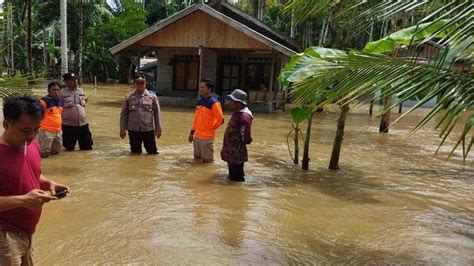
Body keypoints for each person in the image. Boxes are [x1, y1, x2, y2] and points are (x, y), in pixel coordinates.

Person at [0, 95, 69, 265]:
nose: (32, 136)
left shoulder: (31, 145)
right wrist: (24, 200)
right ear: (6, 124)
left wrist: (48, 183)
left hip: (28, 232)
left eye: (36, 130)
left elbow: (33, 173)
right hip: (4, 235)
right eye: (25, 130)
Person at [120, 74, 163, 154]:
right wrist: (122, 129)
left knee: (152, 152)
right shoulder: (129, 97)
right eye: (138, 83)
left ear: (145, 83)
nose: (140, 85)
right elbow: (124, 114)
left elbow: (157, 114)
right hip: (133, 129)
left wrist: (158, 129)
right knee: (135, 153)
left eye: (142, 83)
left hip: (148, 129)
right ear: (134, 84)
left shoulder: (152, 96)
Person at [188, 79, 224, 163]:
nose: (200, 89)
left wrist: (212, 127)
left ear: (209, 89)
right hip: (197, 137)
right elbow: (196, 118)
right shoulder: (199, 101)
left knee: (208, 162)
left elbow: (221, 120)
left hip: (207, 137)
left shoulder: (214, 103)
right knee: (196, 160)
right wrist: (191, 132)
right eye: (200, 87)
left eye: (203, 87)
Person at [221, 89, 253, 182]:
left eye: (231, 100)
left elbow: (246, 137)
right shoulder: (237, 113)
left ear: (238, 103)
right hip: (232, 153)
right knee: (233, 178)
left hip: (236, 154)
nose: (229, 102)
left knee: (236, 180)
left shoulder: (244, 117)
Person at [59, 72, 93, 151]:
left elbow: (83, 104)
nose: (75, 82)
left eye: (75, 80)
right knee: (69, 150)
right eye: (72, 80)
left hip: (83, 125)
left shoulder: (81, 91)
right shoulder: (61, 93)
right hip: (68, 126)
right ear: (66, 82)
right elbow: (58, 108)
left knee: (87, 149)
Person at [37, 82, 63, 158]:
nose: (56, 92)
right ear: (48, 90)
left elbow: (60, 115)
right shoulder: (43, 101)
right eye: (53, 90)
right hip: (46, 131)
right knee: (43, 153)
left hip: (58, 131)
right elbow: (36, 114)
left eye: (58, 90)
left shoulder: (60, 101)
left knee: (56, 152)